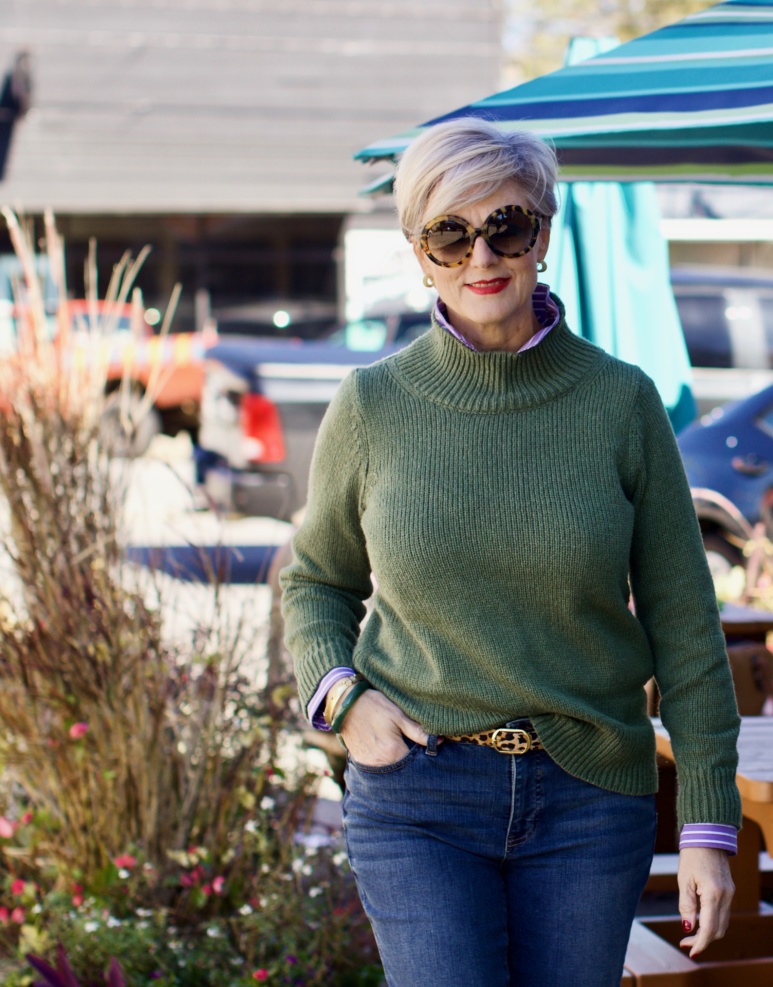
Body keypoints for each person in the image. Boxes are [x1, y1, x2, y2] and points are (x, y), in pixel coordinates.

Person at [280, 118, 742, 987]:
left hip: (590, 795)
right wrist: (344, 701)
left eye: (507, 226)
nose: (480, 257)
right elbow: (316, 583)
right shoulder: (373, 405)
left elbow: (686, 622)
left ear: (544, 233)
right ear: (418, 251)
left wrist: (709, 826)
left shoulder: (621, 401)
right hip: (419, 794)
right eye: (449, 234)